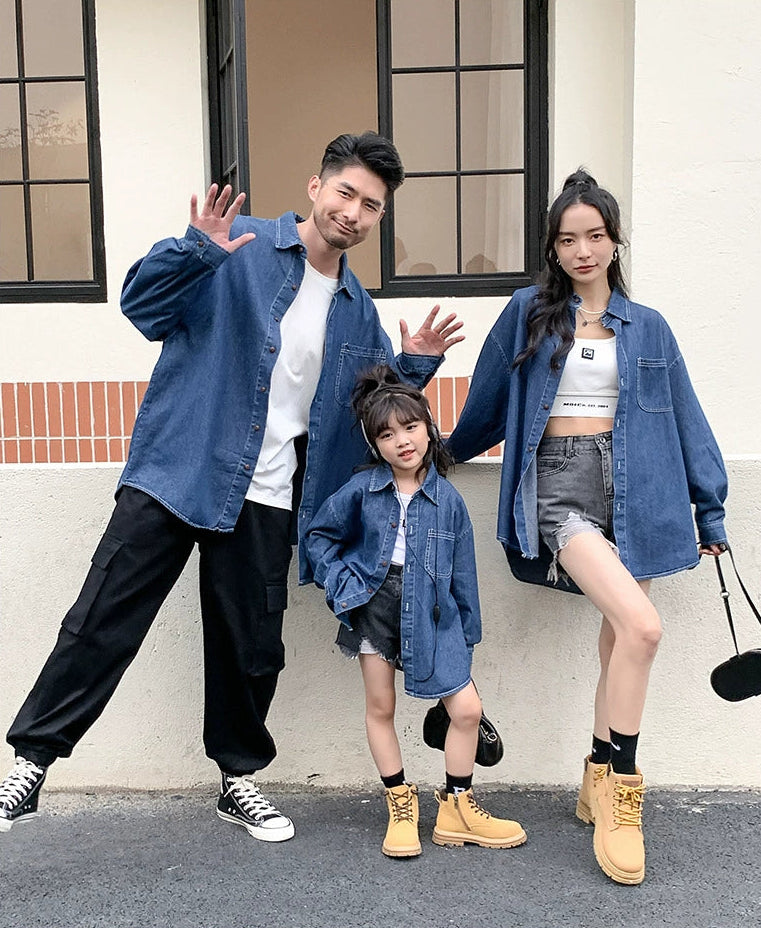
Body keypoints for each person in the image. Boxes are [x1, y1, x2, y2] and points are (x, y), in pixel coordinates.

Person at [0, 132, 465, 842]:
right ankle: (30, 765)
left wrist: (414, 365)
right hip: (179, 469)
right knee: (101, 619)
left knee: (250, 645)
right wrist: (195, 251)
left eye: (371, 205)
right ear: (315, 188)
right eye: (346, 192)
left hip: (270, 495)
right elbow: (141, 308)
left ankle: (237, 779)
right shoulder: (237, 244)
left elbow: (369, 402)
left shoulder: (353, 308)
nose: (355, 211)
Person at [447, 170, 727, 885]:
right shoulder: (527, 313)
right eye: (567, 238)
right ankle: (621, 793)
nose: (581, 250)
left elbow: (685, 417)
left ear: (613, 240)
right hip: (559, 488)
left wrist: (710, 507)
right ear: (552, 247)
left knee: (616, 642)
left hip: (633, 490)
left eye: (594, 236)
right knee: (642, 627)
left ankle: (594, 775)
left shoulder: (648, 326)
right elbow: (485, 402)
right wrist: (434, 456)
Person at [305, 366, 526, 857]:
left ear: (428, 426)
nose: (402, 441)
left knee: (466, 709)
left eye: (410, 427)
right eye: (387, 434)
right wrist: (343, 584)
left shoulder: (449, 500)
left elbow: (463, 573)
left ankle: (457, 807)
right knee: (381, 707)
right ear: (374, 443)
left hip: (433, 612)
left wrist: (467, 634)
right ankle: (400, 804)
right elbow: (319, 536)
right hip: (374, 605)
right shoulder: (362, 490)